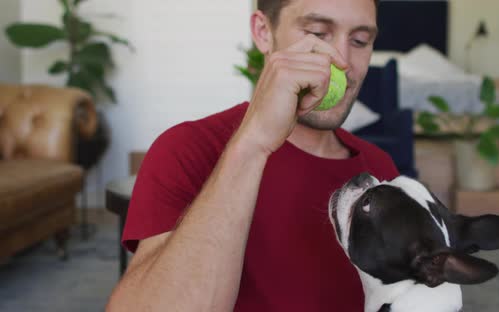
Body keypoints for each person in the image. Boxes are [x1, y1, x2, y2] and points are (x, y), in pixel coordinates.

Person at [107, 0, 399, 311]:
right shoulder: (186, 149)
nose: (343, 61)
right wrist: (253, 144)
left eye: (360, 41)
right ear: (263, 32)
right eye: (317, 33)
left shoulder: (379, 168)